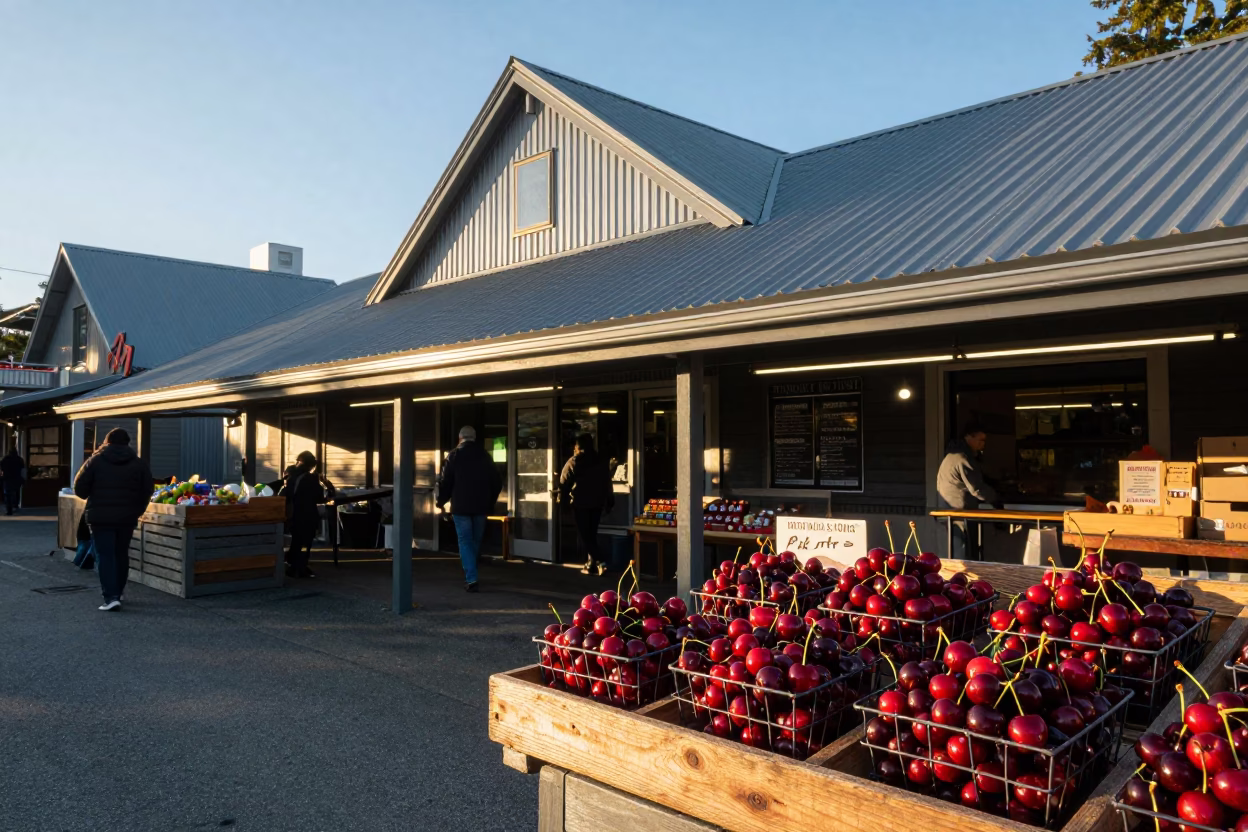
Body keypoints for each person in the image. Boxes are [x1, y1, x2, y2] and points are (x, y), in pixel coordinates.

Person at [73, 428, 153, 611]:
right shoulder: (139, 464)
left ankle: (111, 597)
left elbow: (80, 489)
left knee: (105, 555)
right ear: (128, 443)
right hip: (127, 518)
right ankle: (119, 591)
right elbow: (147, 490)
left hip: (100, 517)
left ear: (106, 441)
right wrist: (137, 511)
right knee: (121, 554)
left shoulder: (95, 461)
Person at [436, 426, 502, 593]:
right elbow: (497, 482)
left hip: (461, 506)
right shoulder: (485, 456)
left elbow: (446, 482)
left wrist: (440, 501)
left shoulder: (453, 455)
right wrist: (490, 502)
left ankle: (471, 578)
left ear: (460, 439)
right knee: (475, 540)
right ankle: (473, 571)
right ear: (474, 438)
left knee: (465, 541)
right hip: (481, 507)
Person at [936, 420, 1001, 560]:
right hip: (959, 513)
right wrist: (996, 499)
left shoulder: (952, 455)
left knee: (955, 552)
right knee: (963, 556)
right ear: (968, 437)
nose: (983, 444)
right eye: (980, 440)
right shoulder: (962, 458)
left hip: (950, 512)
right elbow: (977, 488)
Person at [558, 433, 614, 576]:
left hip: (581, 503)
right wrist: (609, 500)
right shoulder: (600, 461)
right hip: (597, 503)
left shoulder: (574, 461)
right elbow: (607, 482)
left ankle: (601, 562)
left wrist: (562, 502)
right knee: (591, 534)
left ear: (578, 446)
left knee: (585, 536)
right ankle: (591, 565)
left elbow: (564, 484)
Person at [281, 452, 324, 578]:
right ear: (311, 465)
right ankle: (300, 567)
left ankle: (291, 565)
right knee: (305, 542)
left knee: (296, 541)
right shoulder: (310, 478)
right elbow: (318, 497)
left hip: (293, 514)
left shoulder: (291, 477)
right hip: (307, 514)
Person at [1, 443, 25, 516]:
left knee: (8, 494)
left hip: (7, 478)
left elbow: (2, 467)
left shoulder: (5, 459)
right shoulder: (19, 459)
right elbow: (22, 469)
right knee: (16, 492)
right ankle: (16, 505)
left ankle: (9, 509)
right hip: (17, 478)